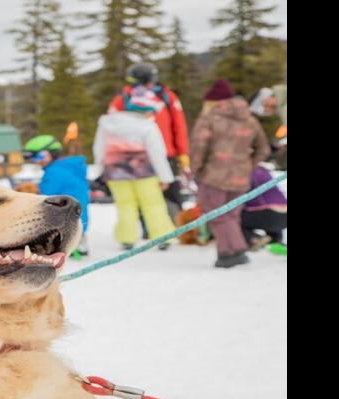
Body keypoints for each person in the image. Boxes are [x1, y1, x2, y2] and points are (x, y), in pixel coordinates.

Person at [190, 79, 271, 268]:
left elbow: (198, 148)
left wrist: (197, 170)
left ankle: (230, 252)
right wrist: (248, 164)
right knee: (232, 215)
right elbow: (263, 148)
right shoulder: (249, 118)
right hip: (241, 176)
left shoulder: (209, 119)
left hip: (213, 176)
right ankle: (236, 250)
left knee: (217, 215)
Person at [93, 86, 176, 252]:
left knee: (125, 205)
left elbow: (99, 148)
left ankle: (126, 238)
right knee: (153, 205)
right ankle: (163, 237)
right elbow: (157, 153)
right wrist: (165, 177)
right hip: (144, 173)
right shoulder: (147, 126)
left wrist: (100, 169)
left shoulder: (108, 124)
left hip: (115, 173)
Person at [108, 62, 192, 224]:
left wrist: (182, 152)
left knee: (168, 192)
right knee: (148, 193)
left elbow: (178, 126)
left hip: (156, 154)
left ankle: (177, 223)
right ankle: (156, 227)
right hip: (144, 155)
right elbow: (179, 126)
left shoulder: (166, 97)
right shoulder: (123, 100)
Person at [24, 134, 90, 258]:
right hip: (77, 215)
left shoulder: (55, 171)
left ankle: (73, 246)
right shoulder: (67, 167)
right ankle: (79, 244)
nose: (36, 161)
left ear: (53, 153)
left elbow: (46, 195)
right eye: (32, 158)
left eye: (39, 156)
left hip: (66, 216)